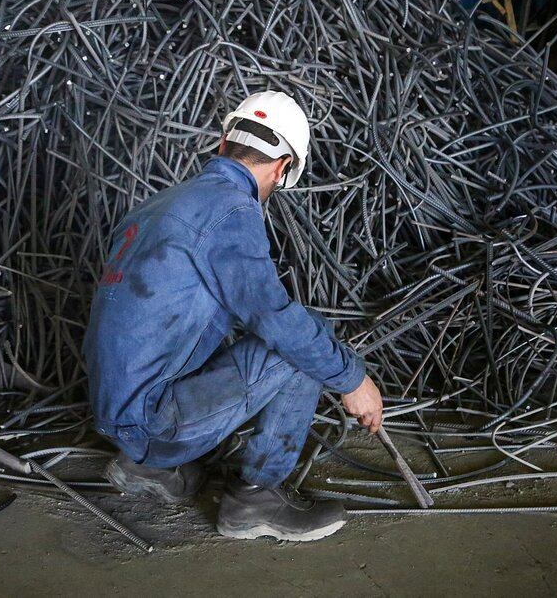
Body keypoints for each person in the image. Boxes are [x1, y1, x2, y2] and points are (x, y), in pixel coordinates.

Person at [83, 91, 383, 541]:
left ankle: (149, 465)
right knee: (305, 342)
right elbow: (278, 322)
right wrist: (353, 381)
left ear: (224, 142)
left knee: (271, 337)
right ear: (282, 168)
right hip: (148, 421)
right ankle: (254, 499)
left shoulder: (158, 204)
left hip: (114, 410)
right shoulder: (232, 210)